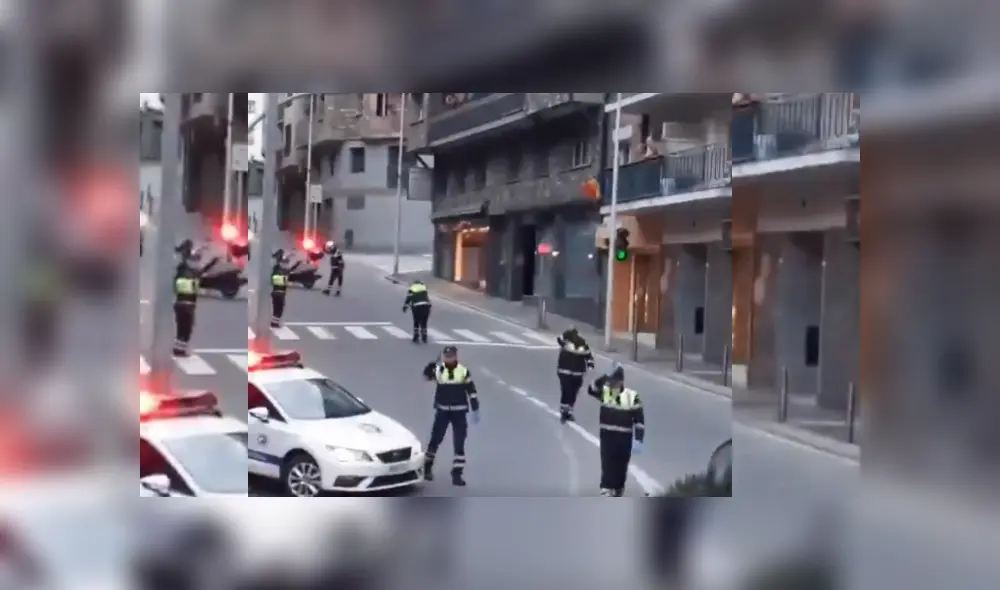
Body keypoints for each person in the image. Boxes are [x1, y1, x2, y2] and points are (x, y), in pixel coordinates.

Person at [421, 346, 480, 486]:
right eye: (447, 356)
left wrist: (475, 407)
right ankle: (427, 467)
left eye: (451, 356)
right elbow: (426, 376)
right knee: (435, 439)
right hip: (442, 411)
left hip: (459, 412)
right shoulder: (439, 370)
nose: (449, 358)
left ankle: (457, 473)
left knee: (459, 442)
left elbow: (471, 390)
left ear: (456, 356)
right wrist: (429, 367)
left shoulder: (463, 371)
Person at [586, 363, 645, 496]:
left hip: (624, 437)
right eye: (610, 380)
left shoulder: (632, 396)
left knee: (621, 465)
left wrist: (639, 439)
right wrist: (604, 376)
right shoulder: (605, 392)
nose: (611, 383)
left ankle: (618, 488)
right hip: (607, 435)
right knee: (607, 462)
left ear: (621, 381)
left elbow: (639, 421)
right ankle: (606, 487)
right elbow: (591, 388)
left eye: (614, 380)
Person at [555, 327, 594, 423]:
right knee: (570, 392)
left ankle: (567, 411)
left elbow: (588, 355)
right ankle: (566, 412)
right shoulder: (582, 344)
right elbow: (588, 356)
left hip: (570, 373)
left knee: (568, 392)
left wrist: (590, 364)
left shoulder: (566, 343)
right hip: (575, 373)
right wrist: (590, 364)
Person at [172, 241, 201, 357]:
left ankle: (178, 349)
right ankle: (180, 350)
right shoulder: (191, 273)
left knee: (181, 329)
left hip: (179, 304)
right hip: (187, 305)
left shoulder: (181, 271)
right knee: (186, 330)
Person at [270, 249, 290, 328]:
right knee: (279, 308)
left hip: (275, 292)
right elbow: (283, 282)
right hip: (280, 292)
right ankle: (275, 323)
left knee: (276, 308)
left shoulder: (275, 270)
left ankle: (274, 322)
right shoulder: (281, 271)